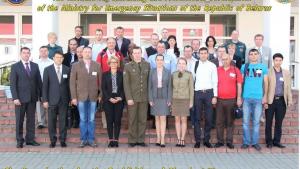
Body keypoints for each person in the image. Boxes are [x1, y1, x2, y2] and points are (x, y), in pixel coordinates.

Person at [10, 47, 42, 148]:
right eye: (24, 53)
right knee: (19, 120)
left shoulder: (35, 66)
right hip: (20, 99)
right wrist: (15, 98)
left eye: (28, 53)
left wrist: (41, 96)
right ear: (20, 54)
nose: (26, 55)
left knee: (31, 120)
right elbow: (13, 84)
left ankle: (30, 139)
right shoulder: (15, 66)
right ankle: (19, 140)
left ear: (30, 54)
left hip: (32, 98)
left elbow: (39, 83)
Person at [70, 47, 102, 148]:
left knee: (91, 119)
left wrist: (100, 95)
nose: (87, 53)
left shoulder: (97, 65)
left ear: (91, 53)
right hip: (80, 97)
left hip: (93, 96)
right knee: (83, 119)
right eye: (85, 52)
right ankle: (83, 139)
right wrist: (74, 97)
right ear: (82, 53)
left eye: (89, 52)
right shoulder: (75, 65)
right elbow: (72, 83)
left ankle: (91, 140)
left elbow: (100, 81)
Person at [240, 48, 268, 151]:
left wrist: (265, 96)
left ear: (259, 55)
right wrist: (240, 96)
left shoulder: (263, 67)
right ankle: (246, 142)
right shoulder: (244, 67)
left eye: (255, 54)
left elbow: (266, 83)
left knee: (256, 122)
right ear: (248, 56)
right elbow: (241, 82)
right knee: (246, 121)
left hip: (258, 98)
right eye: (251, 54)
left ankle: (255, 142)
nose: (253, 56)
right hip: (246, 98)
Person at [42, 51, 70, 148]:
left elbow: (69, 86)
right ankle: (52, 140)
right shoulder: (47, 70)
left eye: (61, 57)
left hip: (64, 100)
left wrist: (70, 99)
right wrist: (45, 100)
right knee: (51, 121)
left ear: (63, 59)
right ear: (53, 58)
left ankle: (62, 140)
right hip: (51, 100)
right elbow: (44, 86)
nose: (59, 59)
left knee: (63, 121)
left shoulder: (67, 69)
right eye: (57, 57)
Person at [123, 46, 150, 147]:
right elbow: (126, 84)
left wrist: (149, 97)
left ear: (141, 53)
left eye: (139, 53)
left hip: (144, 97)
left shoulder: (147, 65)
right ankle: (132, 140)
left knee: (143, 119)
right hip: (133, 98)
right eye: (135, 53)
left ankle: (141, 139)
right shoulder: (128, 66)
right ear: (132, 55)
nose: (137, 55)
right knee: (132, 119)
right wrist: (129, 98)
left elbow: (148, 82)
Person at [265, 53, 293, 148]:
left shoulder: (286, 72)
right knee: (268, 122)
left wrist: (290, 100)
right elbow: (265, 87)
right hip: (270, 100)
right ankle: (269, 141)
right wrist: (265, 101)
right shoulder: (268, 72)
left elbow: (288, 87)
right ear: (273, 61)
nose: (278, 62)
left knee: (279, 122)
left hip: (281, 101)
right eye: (276, 60)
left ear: (282, 61)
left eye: (280, 60)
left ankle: (277, 141)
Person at [215, 54, 242, 149]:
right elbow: (214, 84)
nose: (225, 61)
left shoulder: (235, 70)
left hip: (231, 100)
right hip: (219, 100)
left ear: (230, 59)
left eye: (226, 59)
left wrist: (239, 98)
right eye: (223, 59)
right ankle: (220, 141)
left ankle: (229, 141)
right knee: (219, 121)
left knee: (230, 122)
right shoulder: (217, 70)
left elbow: (239, 85)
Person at [193, 47, 218, 148]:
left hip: (209, 93)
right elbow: (193, 79)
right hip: (198, 93)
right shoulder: (195, 64)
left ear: (208, 54)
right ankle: (198, 140)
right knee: (197, 118)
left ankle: (207, 140)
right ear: (198, 54)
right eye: (201, 53)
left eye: (205, 53)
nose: (203, 55)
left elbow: (215, 81)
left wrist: (215, 95)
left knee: (209, 118)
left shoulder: (212, 65)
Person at [148, 54, 172, 147]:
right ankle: (158, 138)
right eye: (157, 60)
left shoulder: (168, 71)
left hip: (164, 97)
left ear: (163, 61)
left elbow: (170, 87)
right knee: (157, 118)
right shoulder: (152, 71)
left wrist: (169, 99)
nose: (159, 61)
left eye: (161, 60)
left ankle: (162, 139)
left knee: (163, 118)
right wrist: (150, 99)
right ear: (155, 61)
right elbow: (149, 86)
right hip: (154, 97)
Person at [102, 56, 125, 148]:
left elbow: (124, 87)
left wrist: (121, 97)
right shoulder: (105, 74)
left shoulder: (121, 74)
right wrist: (108, 98)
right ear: (109, 64)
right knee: (109, 121)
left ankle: (116, 140)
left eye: (115, 62)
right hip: (108, 100)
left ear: (117, 63)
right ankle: (111, 139)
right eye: (112, 62)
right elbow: (103, 88)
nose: (114, 64)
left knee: (117, 121)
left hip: (119, 100)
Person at [171, 57, 194, 147]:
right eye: (179, 63)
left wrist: (191, 101)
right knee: (176, 119)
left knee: (184, 120)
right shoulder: (173, 74)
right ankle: (178, 138)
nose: (181, 65)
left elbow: (191, 89)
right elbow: (171, 88)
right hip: (175, 99)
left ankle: (182, 139)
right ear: (177, 65)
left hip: (185, 99)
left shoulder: (189, 75)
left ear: (186, 65)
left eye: (183, 63)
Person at [35, 46, 54, 129]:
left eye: (45, 51)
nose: (43, 52)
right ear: (39, 52)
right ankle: (41, 122)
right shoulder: (36, 63)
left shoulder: (52, 62)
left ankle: (51, 121)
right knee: (39, 103)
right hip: (38, 85)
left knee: (50, 103)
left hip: (50, 85)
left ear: (48, 52)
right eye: (41, 51)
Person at [63, 38, 80, 128]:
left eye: (74, 44)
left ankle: (76, 121)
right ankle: (69, 121)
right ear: (69, 45)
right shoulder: (64, 56)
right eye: (71, 44)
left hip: (77, 83)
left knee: (76, 101)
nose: (73, 46)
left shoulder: (79, 56)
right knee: (68, 101)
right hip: (66, 82)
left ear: (77, 45)